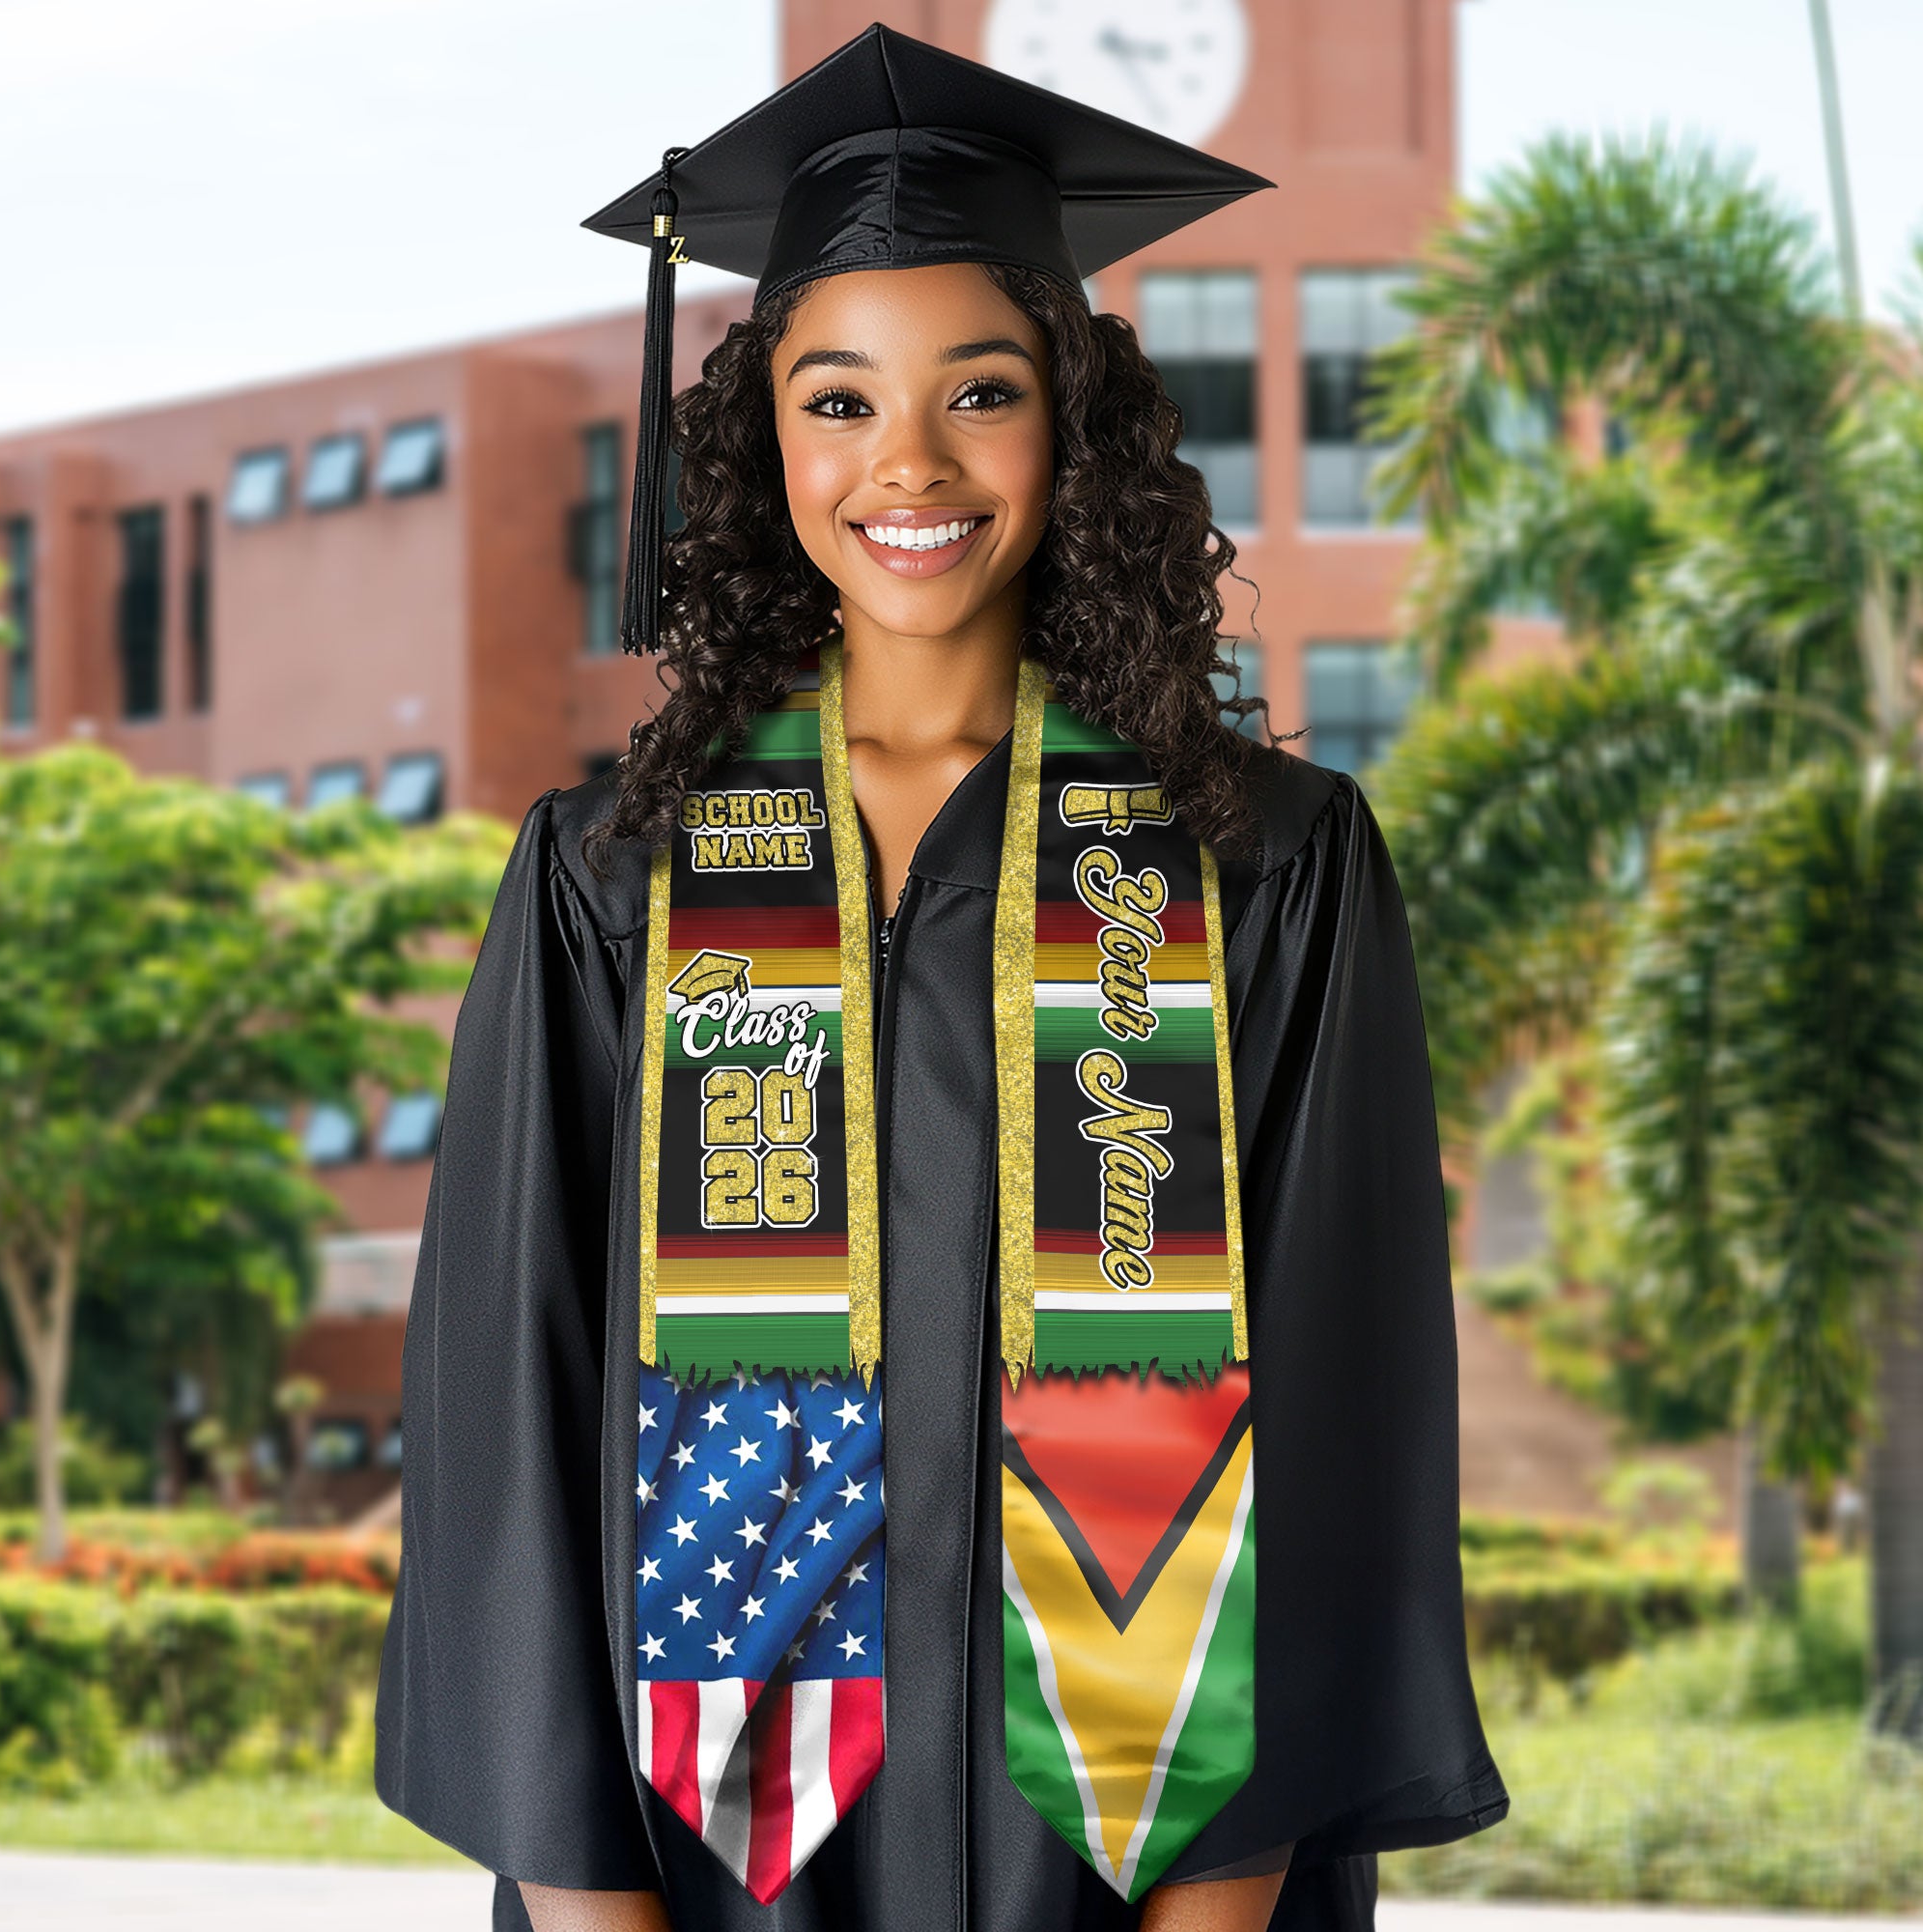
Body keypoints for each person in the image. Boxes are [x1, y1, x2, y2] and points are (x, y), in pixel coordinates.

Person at [374, 25, 1510, 1932]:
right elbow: (507, 1419)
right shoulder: (611, 883)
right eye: (837, 402)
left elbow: (1340, 1432)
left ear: (1071, 417)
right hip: (703, 1866)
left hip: (1131, 1864)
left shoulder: (1267, 865)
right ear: (760, 445)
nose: (907, 463)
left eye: (977, 391)